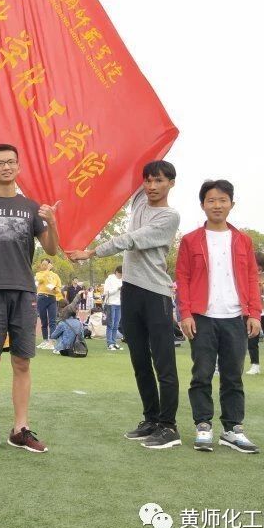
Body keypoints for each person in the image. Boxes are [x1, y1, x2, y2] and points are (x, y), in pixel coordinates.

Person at [67, 160, 181, 450]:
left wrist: (91, 252)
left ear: (171, 183)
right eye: (148, 180)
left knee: (163, 362)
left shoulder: (169, 216)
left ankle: (169, 426)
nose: (152, 186)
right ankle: (151, 419)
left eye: (159, 181)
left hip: (156, 293)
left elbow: (131, 240)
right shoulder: (139, 202)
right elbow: (135, 156)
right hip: (130, 291)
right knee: (140, 361)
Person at [0, 143, 59, 453]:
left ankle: (20, 429)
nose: (6, 167)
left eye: (11, 162)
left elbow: (52, 249)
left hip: (24, 291)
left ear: (19, 167)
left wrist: (52, 221)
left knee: (22, 361)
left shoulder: (31, 207)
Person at [176, 179, 262, 454]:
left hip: (235, 317)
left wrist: (254, 313)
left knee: (233, 375)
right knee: (201, 373)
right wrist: (185, 313)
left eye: (222, 200)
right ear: (202, 205)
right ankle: (203, 425)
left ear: (231, 204)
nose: (217, 205)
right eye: (211, 200)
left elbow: (251, 278)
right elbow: (182, 278)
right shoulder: (190, 240)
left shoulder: (243, 240)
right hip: (202, 316)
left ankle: (232, 429)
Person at [35, 258, 63, 350]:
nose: (44, 266)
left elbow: (59, 288)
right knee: (43, 321)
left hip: (52, 297)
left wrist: (55, 289)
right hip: (41, 297)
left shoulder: (55, 276)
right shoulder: (39, 274)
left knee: (52, 321)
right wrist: (47, 270)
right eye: (42, 264)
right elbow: (40, 280)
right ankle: (45, 340)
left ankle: (52, 341)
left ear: (50, 265)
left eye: (46, 264)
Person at [103, 266, 123, 351]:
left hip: (119, 303)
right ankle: (109, 343)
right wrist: (117, 289)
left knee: (116, 324)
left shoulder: (122, 280)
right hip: (110, 303)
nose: (121, 276)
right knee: (110, 324)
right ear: (117, 272)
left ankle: (114, 342)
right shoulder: (110, 279)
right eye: (120, 274)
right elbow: (106, 292)